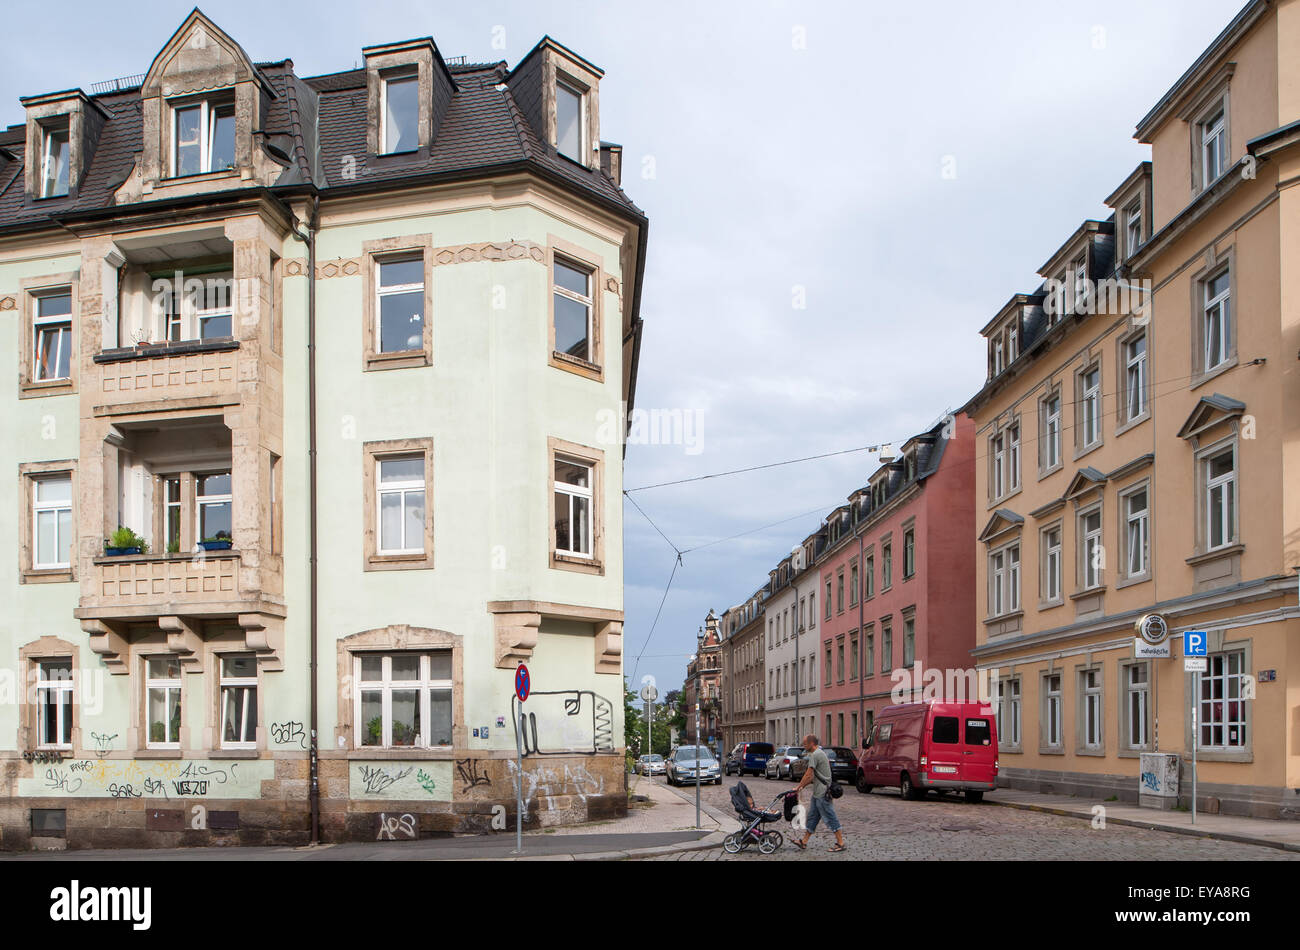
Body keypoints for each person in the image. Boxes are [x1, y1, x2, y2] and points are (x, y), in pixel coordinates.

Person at [792, 733, 846, 853]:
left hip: (823, 793)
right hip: (817, 794)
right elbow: (812, 778)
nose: (803, 745)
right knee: (812, 817)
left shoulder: (815, 755)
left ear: (812, 743)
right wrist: (801, 788)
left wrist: (799, 786)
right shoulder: (817, 754)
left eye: (805, 743)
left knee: (830, 817)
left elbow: (808, 774)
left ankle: (840, 843)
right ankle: (804, 842)